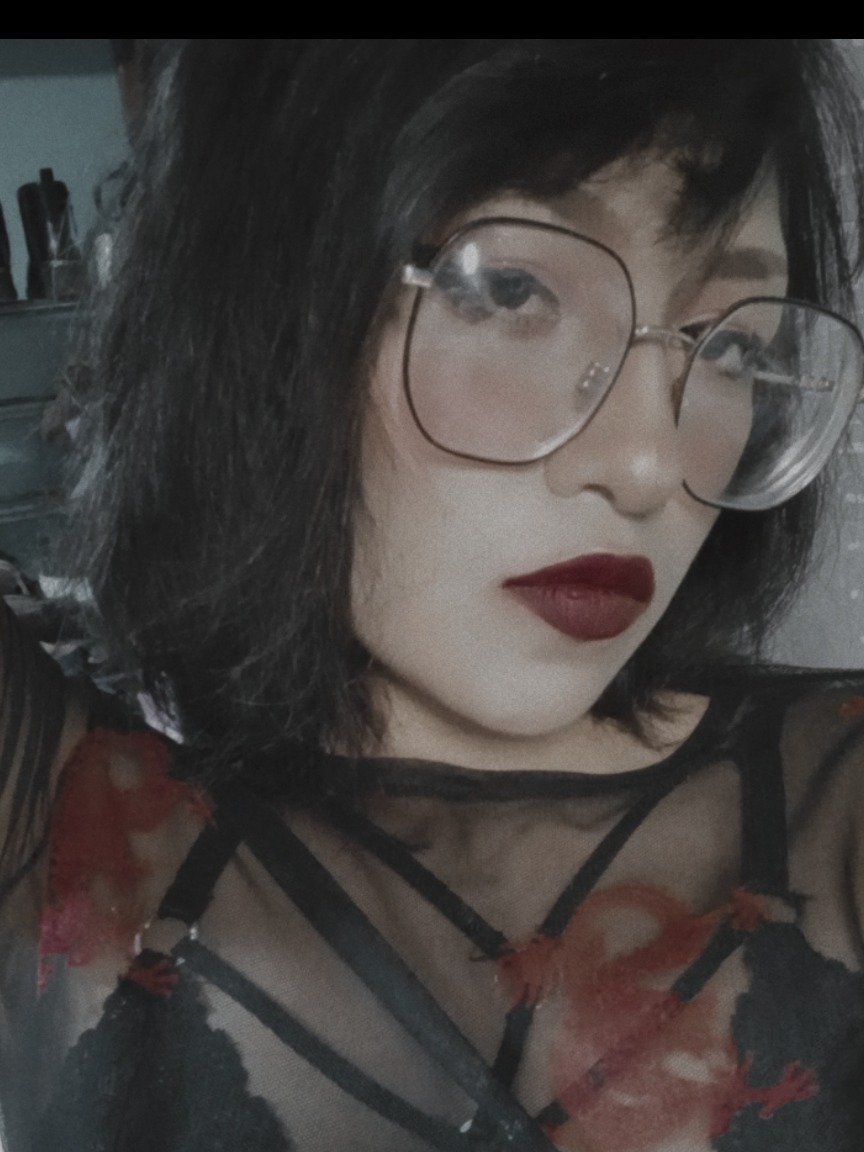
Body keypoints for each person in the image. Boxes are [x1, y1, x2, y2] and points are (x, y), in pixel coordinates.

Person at [1, 38, 864, 1152]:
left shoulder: (839, 810)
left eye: (735, 345)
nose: (650, 462)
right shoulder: (54, 822)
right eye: (510, 289)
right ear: (262, 303)